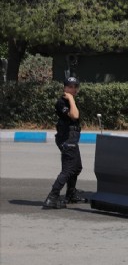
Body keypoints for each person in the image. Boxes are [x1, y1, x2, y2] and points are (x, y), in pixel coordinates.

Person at [43, 76, 88, 209]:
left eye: (75, 87)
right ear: (64, 88)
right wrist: (71, 100)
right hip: (66, 139)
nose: (73, 89)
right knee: (68, 169)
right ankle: (52, 198)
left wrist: (72, 100)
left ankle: (71, 194)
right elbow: (75, 116)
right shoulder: (61, 102)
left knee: (77, 167)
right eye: (70, 87)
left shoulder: (70, 101)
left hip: (72, 138)